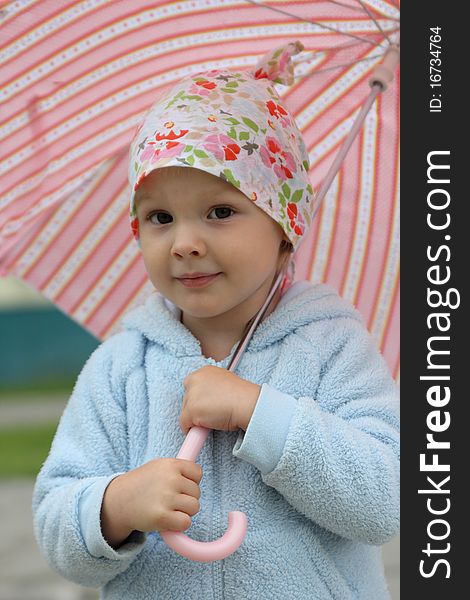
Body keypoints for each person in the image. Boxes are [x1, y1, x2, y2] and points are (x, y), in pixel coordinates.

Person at [33, 41, 399, 599]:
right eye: (160, 217)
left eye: (220, 211)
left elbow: (389, 500)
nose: (184, 243)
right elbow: (56, 521)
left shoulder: (332, 348)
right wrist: (116, 506)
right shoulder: (121, 367)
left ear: (285, 226)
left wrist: (261, 413)